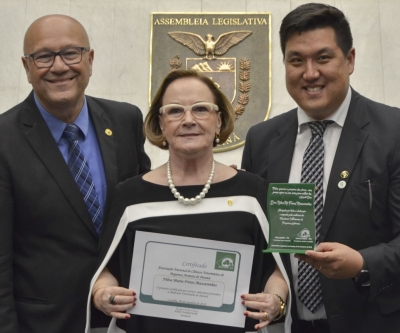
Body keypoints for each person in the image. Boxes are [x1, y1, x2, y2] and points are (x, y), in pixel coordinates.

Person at [85, 70, 291, 333]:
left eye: (201, 109)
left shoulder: (252, 192)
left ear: (219, 121)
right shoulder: (129, 196)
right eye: (174, 111)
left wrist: (276, 300)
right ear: (160, 124)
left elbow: (278, 267)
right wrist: (103, 294)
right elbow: (106, 268)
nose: (189, 120)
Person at [242, 3, 400, 333]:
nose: (310, 73)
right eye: (296, 60)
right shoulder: (262, 139)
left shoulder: (393, 132)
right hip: (284, 325)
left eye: (323, 58)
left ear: (350, 59)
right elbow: (257, 238)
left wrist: (363, 263)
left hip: (372, 322)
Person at [0, 14, 150, 333]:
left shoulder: (125, 120)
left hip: (127, 316)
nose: (59, 66)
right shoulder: (3, 140)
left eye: (71, 53)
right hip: (45, 323)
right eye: (43, 56)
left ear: (90, 59)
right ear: (26, 67)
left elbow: (148, 208)